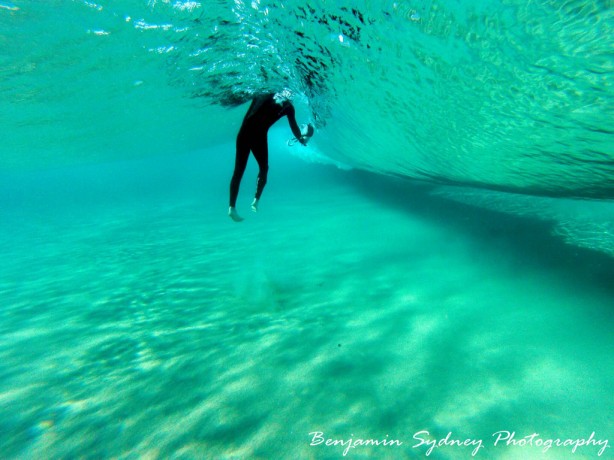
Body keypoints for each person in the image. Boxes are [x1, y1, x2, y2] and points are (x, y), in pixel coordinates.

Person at [228, 92, 313, 222]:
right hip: (258, 137)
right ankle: (256, 201)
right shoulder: (289, 107)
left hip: (243, 133)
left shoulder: (263, 92)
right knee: (263, 168)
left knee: (238, 171)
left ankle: (232, 208)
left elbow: (243, 96)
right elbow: (294, 127)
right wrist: (301, 140)